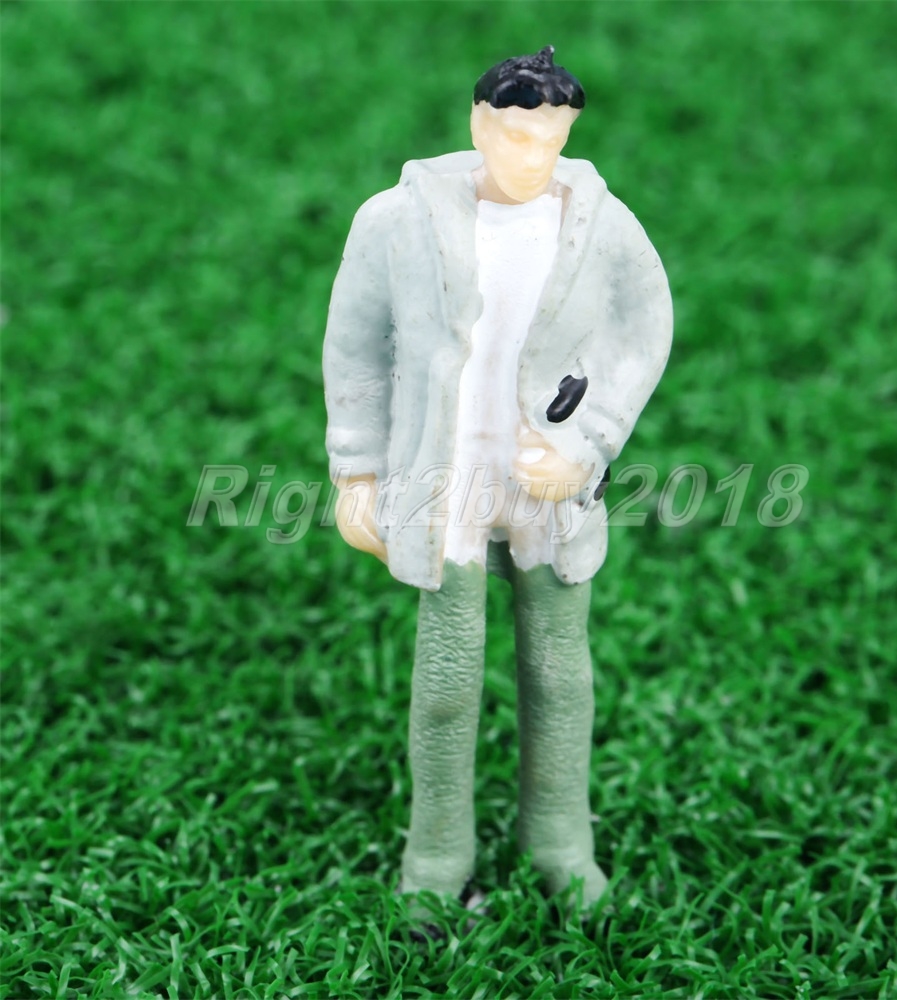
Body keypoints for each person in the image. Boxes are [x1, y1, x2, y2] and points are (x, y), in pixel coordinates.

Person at [322, 46, 673, 908]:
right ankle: (436, 861)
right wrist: (356, 472)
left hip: (548, 486)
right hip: (442, 481)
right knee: (446, 681)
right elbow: (355, 346)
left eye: (551, 138)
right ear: (481, 125)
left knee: (559, 672)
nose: (533, 156)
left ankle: (560, 842)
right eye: (517, 136)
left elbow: (644, 330)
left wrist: (587, 445)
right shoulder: (396, 221)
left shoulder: (599, 224)